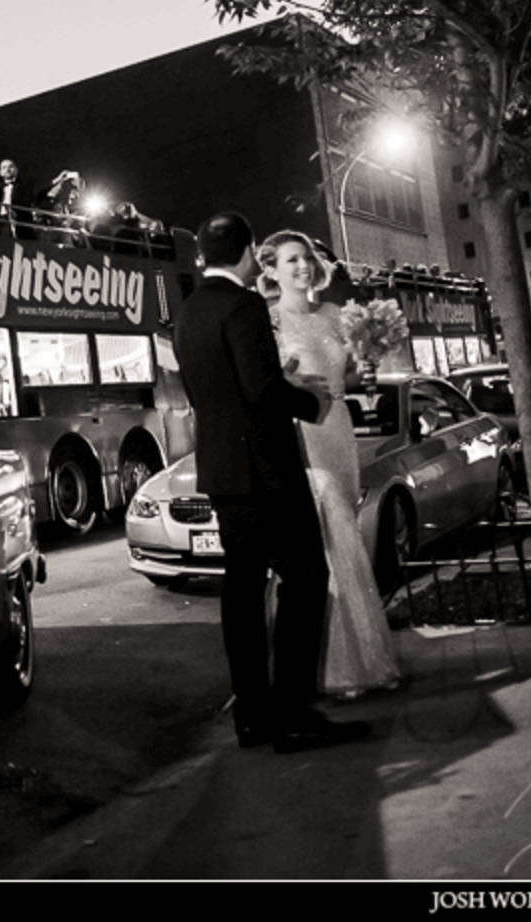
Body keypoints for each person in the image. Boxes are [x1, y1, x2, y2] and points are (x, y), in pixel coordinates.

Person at [175, 212, 369, 753]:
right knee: (304, 579)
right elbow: (260, 391)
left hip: (222, 471)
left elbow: (217, 388)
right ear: (248, 252)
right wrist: (312, 399)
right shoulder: (242, 306)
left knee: (241, 593)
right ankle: (292, 713)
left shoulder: (190, 310)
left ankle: (253, 719)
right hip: (266, 471)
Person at [259, 230, 402, 697]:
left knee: (346, 540)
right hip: (302, 436)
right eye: (290, 260)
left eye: (306, 258)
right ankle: (328, 669)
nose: (302, 266)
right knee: (325, 536)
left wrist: (372, 356)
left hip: (340, 429)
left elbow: (356, 376)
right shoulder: (269, 322)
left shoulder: (338, 315)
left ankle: (362, 661)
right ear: (272, 270)